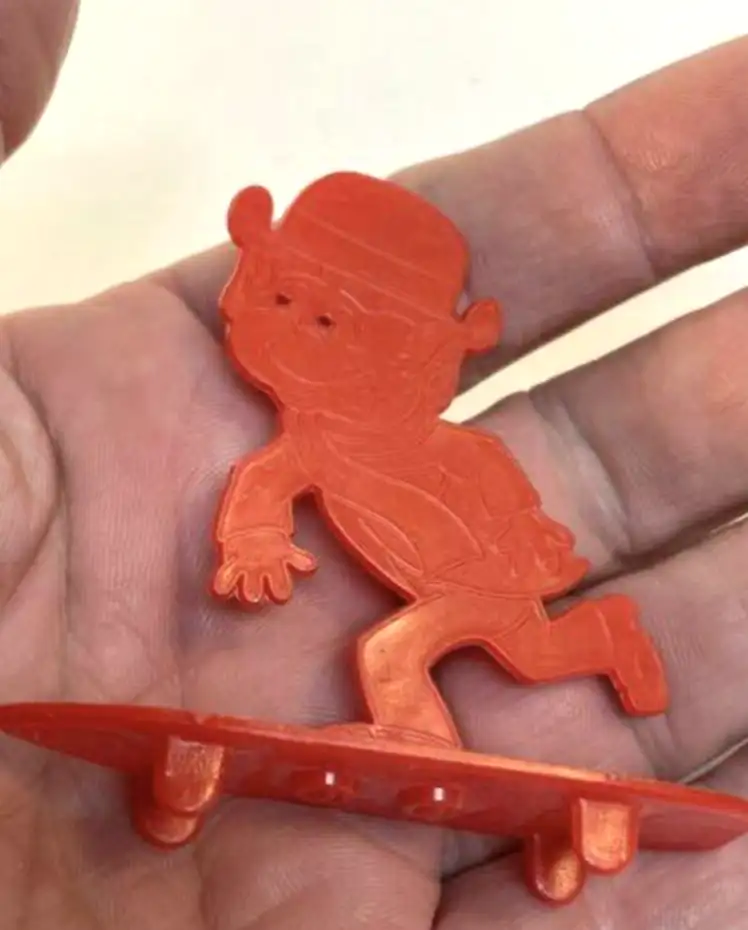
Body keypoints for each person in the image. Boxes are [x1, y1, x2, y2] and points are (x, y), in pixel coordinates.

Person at [0, 5, 746, 928]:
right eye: (283, 304)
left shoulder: (436, 444)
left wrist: (528, 541)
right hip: (453, 586)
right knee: (529, 653)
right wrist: (253, 543)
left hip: (481, 575)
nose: (297, 339)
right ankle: (598, 640)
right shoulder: (312, 440)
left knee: (404, 650)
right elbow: (265, 486)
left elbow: (492, 484)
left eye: (330, 324)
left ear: (404, 354)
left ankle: (420, 740)